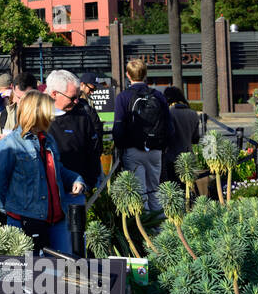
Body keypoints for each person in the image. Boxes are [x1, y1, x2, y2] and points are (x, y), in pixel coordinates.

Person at [0, 91, 86, 252]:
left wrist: (76, 179)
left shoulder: (48, 140)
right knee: (30, 274)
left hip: (57, 220)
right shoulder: (9, 145)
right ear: (37, 114)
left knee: (61, 271)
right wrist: (11, 211)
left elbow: (57, 169)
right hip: (24, 222)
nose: (53, 116)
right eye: (49, 112)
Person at [112, 58, 172, 213]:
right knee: (154, 189)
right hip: (155, 150)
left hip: (133, 150)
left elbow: (118, 127)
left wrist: (121, 147)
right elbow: (169, 126)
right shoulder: (158, 96)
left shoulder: (123, 97)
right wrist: (162, 146)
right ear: (145, 74)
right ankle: (159, 229)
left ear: (127, 75)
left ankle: (143, 229)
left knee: (139, 192)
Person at [47, 69, 103, 192]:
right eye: (72, 98)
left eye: (78, 96)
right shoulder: (39, 117)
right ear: (54, 94)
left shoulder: (83, 116)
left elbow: (93, 150)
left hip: (78, 189)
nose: (76, 101)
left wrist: (90, 182)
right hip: (48, 191)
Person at [162, 85, 202, 181]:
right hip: (188, 157)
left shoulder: (168, 113)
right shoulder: (193, 113)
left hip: (171, 158)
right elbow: (195, 139)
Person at [0, 73, 38, 143]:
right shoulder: (4, 116)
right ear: (12, 90)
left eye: (26, 99)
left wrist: (10, 141)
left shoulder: (44, 116)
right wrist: (0, 144)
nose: (21, 103)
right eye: (18, 97)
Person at [75, 72, 107, 163]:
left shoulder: (88, 101)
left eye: (95, 89)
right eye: (92, 89)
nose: (92, 92)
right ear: (82, 85)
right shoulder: (77, 102)